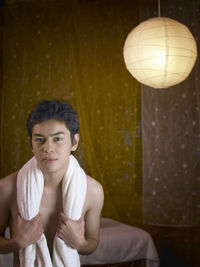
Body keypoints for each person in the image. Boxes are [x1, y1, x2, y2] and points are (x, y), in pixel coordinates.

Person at [0, 99, 104, 266]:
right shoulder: (7, 187)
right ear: (31, 144)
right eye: (39, 139)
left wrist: (80, 243)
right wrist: (16, 243)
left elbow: (92, 242)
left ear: (74, 142)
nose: (48, 148)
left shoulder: (93, 191)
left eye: (57, 139)